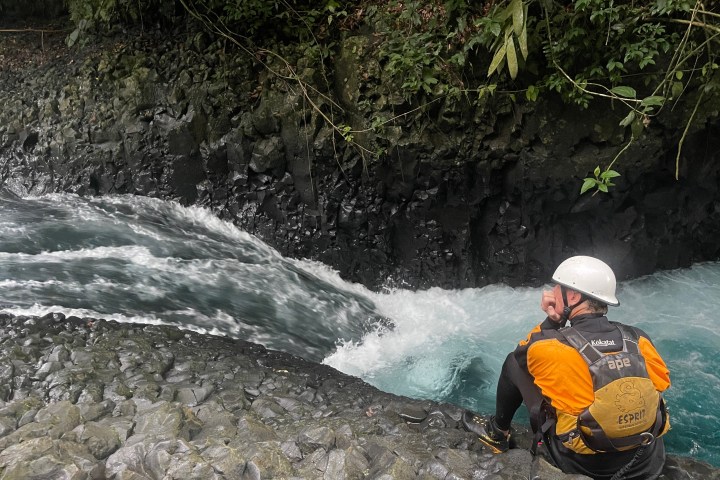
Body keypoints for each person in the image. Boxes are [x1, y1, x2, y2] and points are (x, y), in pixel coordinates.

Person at [463, 256, 671, 479]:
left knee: (512, 363)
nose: (553, 292)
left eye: (558, 287)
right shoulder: (638, 337)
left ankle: (497, 433)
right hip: (645, 459)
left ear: (573, 295)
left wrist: (552, 321)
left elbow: (522, 356)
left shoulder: (552, 345)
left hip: (581, 463)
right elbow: (660, 384)